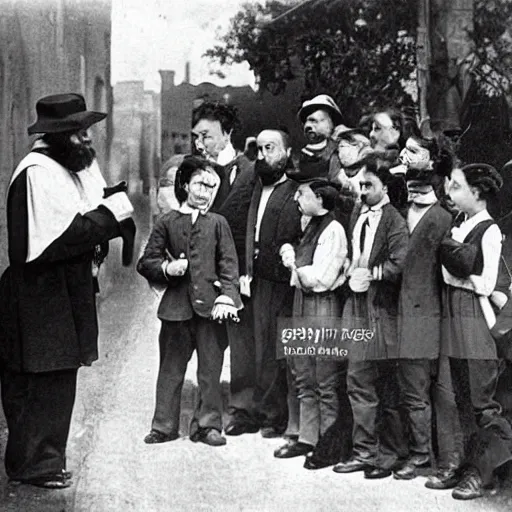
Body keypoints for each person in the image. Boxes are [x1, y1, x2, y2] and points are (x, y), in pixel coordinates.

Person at [0, 93, 135, 489]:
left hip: (61, 290)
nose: (88, 140)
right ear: (58, 135)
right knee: (37, 378)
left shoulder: (68, 166)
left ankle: (47, 460)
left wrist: (107, 214)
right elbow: (65, 235)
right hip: (37, 292)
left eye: (87, 131)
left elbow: (91, 216)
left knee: (58, 377)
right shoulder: (38, 171)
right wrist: (110, 215)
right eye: (80, 133)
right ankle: (32, 465)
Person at [137, 156, 242, 447]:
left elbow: (230, 266)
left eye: (211, 186)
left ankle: (208, 425)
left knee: (210, 368)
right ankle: (163, 425)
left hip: (211, 311)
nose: (205, 192)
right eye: (199, 184)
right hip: (176, 310)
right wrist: (167, 269)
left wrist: (228, 297)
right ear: (184, 184)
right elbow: (147, 261)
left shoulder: (219, 223)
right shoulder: (166, 222)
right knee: (170, 369)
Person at [426, 162, 512, 500]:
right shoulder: (460, 225)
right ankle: (460, 464)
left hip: (474, 316)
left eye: (458, 186)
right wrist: (458, 260)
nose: (451, 192)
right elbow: (458, 267)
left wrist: (457, 262)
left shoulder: (488, 229)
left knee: (479, 399)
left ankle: (484, 472)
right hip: (453, 311)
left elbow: (486, 282)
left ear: (477, 193)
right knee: (452, 393)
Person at [333, 157, 409, 479]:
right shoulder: (357, 212)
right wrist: (350, 267)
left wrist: (372, 274)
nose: (362, 192)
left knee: (387, 382)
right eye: (360, 186)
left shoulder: (394, 220)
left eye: (369, 186)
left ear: (385, 188)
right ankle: (364, 451)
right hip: (356, 307)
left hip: (381, 309)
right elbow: (354, 250)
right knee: (357, 378)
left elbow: (400, 261)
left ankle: (391, 454)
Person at [190, 102, 258, 436]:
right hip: (205, 271)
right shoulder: (194, 171)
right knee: (209, 344)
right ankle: (207, 415)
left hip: (238, 271)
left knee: (242, 341)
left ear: (227, 133)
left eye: (207, 135)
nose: (201, 142)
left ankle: (243, 409)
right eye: (196, 136)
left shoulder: (248, 169)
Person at [274, 178, 348, 469]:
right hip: (301, 304)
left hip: (322, 307)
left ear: (319, 197)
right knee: (303, 373)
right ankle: (307, 437)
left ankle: (329, 444)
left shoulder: (334, 230)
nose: (296, 199)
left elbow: (321, 279)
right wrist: (292, 257)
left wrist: (293, 264)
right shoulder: (308, 226)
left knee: (326, 378)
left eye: (302, 194)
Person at [393, 157, 453, 480]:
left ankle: (423, 456)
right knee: (410, 389)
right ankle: (418, 452)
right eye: (411, 186)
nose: (414, 192)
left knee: (420, 390)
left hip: (426, 314)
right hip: (402, 313)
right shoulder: (403, 216)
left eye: (420, 186)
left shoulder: (442, 219)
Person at [244, 129, 302, 437]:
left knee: (282, 348)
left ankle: (283, 416)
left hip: (283, 281)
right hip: (257, 280)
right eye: (260, 148)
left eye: (271, 148)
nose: (264, 154)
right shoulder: (254, 188)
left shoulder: (295, 190)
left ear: (288, 153)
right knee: (261, 347)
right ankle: (266, 411)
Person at [294, 94, 343, 182]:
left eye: (314, 121)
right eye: (306, 121)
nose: (307, 126)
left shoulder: (340, 150)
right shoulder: (297, 157)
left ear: (331, 122)